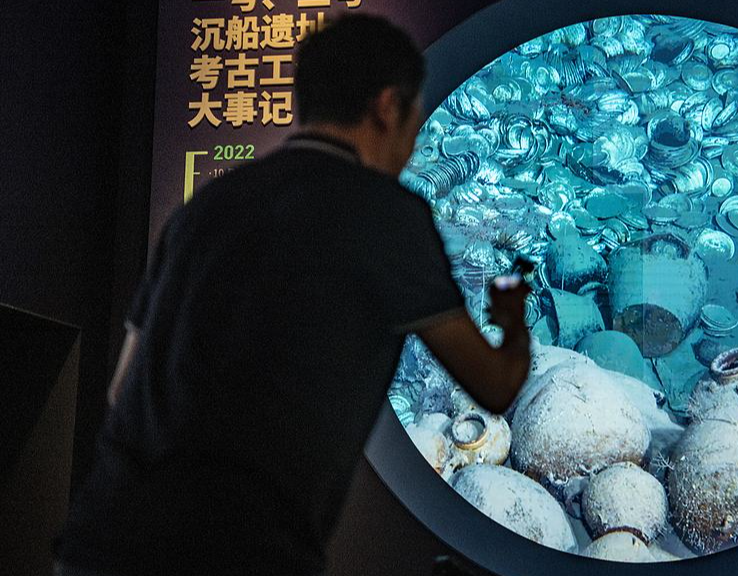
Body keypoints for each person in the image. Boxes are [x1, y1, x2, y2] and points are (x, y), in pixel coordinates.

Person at [53, 14, 532, 576]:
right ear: (386, 107)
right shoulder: (385, 214)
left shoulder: (203, 209)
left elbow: (121, 387)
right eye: (414, 118)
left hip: (102, 540)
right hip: (245, 550)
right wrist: (511, 316)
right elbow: (495, 386)